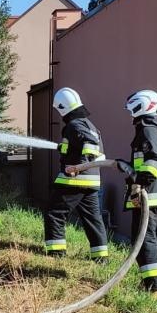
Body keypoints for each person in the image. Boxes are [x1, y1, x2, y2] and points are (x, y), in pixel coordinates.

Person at [43, 87, 109, 260]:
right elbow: (78, 146)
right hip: (92, 181)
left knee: (54, 213)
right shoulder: (89, 124)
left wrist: (77, 167)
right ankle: (101, 257)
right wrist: (63, 148)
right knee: (93, 219)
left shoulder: (74, 125)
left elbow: (90, 145)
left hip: (75, 180)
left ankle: (56, 254)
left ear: (62, 107)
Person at [124, 89, 157, 298]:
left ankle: (155, 290)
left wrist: (138, 184)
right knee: (154, 240)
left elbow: (154, 162)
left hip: (147, 196)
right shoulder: (154, 129)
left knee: (144, 241)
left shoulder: (147, 130)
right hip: (155, 196)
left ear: (141, 105)